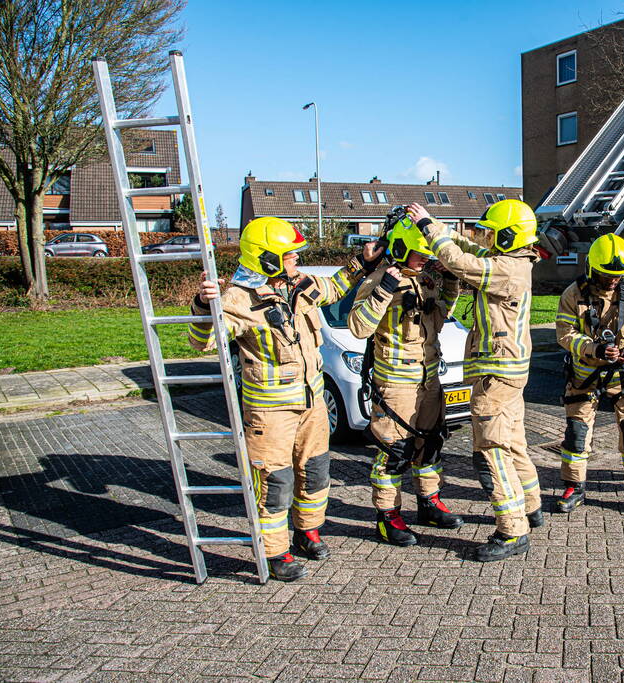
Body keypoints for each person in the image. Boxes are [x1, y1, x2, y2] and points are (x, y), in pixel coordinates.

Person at [189, 216, 380, 580]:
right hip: (270, 412)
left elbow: (334, 287)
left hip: (312, 404)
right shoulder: (237, 299)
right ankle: (275, 552)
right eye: (290, 255)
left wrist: (364, 262)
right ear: (266, 258)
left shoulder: (297, 285)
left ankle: (307, 532)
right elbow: (204, 341)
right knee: (275, 483)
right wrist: (202, 304)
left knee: (316, 472)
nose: (296, 261)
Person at [407, 199, 542, 562]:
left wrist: (428, 229)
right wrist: (440, 227)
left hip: (495, 376)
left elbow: (463, 262)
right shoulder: (513, 261)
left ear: (511, 235)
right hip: (508, 372)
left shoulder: (507, 270)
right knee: (513, 444)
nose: (487, 237)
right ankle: (531, 507)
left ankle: (512, 530)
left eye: (494, 232)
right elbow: (470, 251)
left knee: (491, 453)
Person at [348, 217, 464, 546]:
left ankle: (428, 503)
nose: (425, 258)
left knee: (429, 444)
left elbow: (440, 318)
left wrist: (451, 282)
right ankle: (388, 518)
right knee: (393, 452)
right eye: (419, 253)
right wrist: (384, 291)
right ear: (400, 249)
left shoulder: (425, 278)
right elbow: (358, 326)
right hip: (396, 383)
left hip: (428, 378)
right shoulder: (378, 279)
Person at [555, 234, 624, 514]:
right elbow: (565, 334)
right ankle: (575, 487)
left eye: (618, 276)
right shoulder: (573, 295)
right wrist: (594, 349)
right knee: (577, 433)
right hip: (584, 377)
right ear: (592, 269)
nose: (613, 281)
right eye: (606, 275)